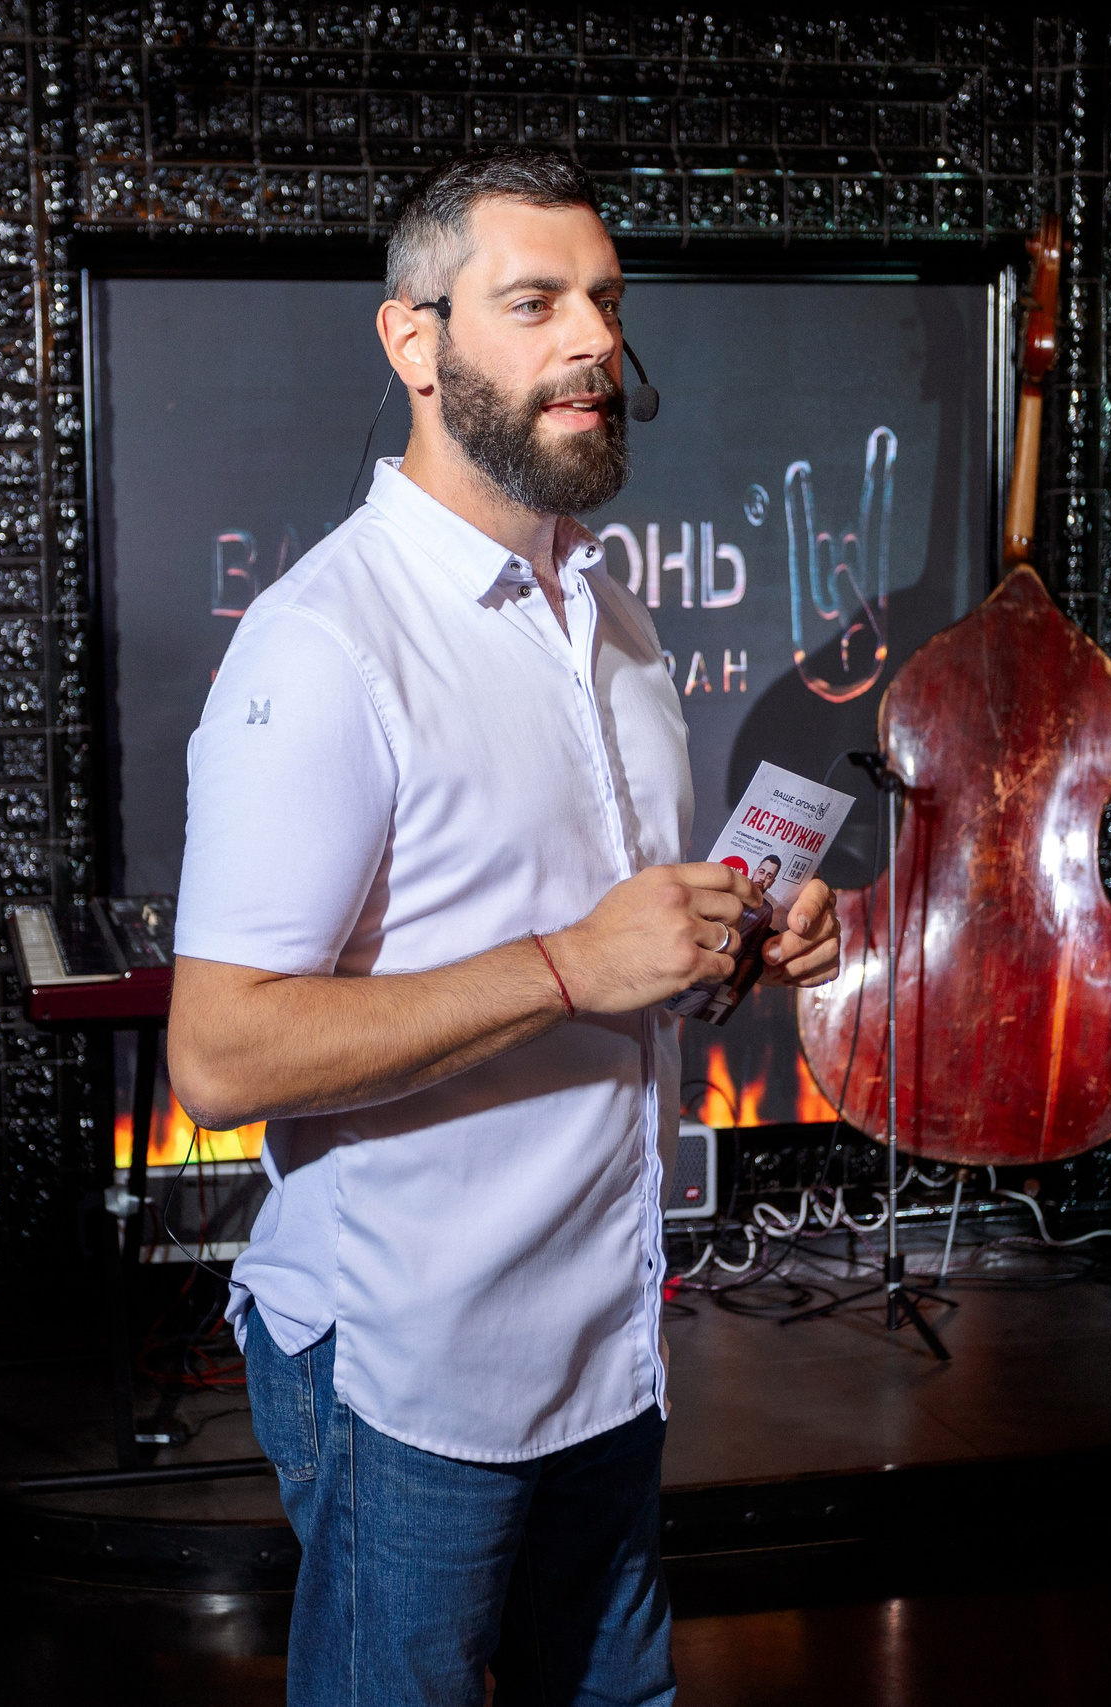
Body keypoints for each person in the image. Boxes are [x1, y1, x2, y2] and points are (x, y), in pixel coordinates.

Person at [168, 147, 841, 1707]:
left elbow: (620, 970)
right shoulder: (323, 646)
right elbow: (217, 1053)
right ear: (415, 342)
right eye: (532, 303)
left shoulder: (613, 619)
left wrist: (727, 954)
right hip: (409, 1361)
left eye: (603, 301)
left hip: (606, 1337)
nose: (590, 342)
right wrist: (574, 965)